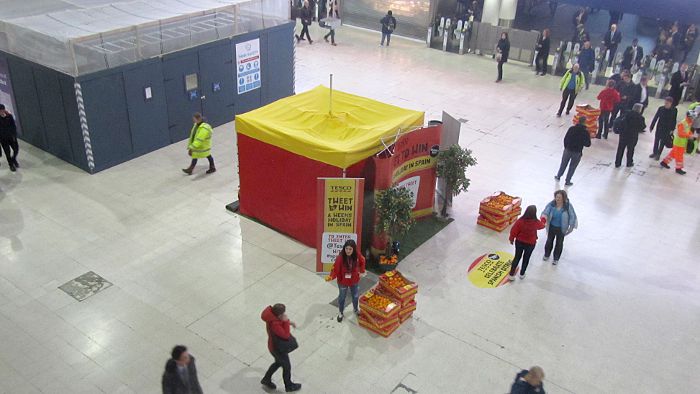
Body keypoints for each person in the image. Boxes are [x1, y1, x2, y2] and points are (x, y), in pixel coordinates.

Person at [261, 304, 302, 392]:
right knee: (286, 366)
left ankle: (266, 379)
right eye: (283, 314)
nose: (284, 314)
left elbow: (280, 322)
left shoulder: (272, 318)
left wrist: (289, 322)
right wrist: (286, 322)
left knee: (278, 363)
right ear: (279, 315)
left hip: (274, 347)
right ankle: (289, 386)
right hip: (277, 349)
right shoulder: (274, 324)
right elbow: (286, 336)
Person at [325, 239, 366, 322]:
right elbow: (335, 268)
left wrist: (361, 271)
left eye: (350, 249)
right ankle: (340, 312)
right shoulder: (340, 257)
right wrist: (331, 276)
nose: (348, 251)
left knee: (355, 296)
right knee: (342, 297)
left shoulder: (357, 255)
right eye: (346, 248)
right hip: (342, 281)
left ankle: (355, 309)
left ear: (353, 249)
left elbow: (363, 260)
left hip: (354, 280)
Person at [508, 206, 546, 281]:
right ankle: (522, 274)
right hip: (530, 244)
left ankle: (511, 274)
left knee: (517, 257)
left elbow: (513, 231)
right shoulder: (536, 222)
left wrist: (511, 239)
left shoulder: (520, 221)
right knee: (526, 259)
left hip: (519, 242)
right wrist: (543, 219)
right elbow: (542, 226)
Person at [541, 190, 577, 265]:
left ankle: (556, 258)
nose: (557, 199)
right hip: (552, 226)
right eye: (556, 197)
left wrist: (571, 226)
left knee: (559, 243)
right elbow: (546, 212)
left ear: (564, 198)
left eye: (559, 197)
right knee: (549, 241)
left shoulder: (568, 206)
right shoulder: (552, 204)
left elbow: (572, 216)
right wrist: (543, 218)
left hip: (561, 228)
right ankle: (546, 254)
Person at [555, 116, 591, 186]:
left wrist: (566, 147)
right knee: (572, 167)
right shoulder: (585, 132)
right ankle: (567, 181)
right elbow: (588, 144)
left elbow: (565, 139)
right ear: (584, 122)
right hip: (577, 152)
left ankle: (558, 176)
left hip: (568, 150)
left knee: (563, 164)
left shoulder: (572, 129)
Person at [661, 109, 697, 175]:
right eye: (693, 117)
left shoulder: (689, 122)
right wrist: (689, 136)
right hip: (679, 143)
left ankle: (664, 162)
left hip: (682, 142)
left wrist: (691, 135)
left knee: (673, 154)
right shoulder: (682, 123)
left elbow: (687, 131)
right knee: (679, 156)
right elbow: (680, 133)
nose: (693, 119)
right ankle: (678, 168)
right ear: (689, 116)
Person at [615, 103, 646, 168]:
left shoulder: (626, 114)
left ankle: (617, 163)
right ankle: (629, 162)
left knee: (620, 148)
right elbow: (643, 127)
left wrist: (617, 130)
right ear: (639, 110)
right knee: (631, 149)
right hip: (633, 136)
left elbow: (617, 121)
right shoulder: (640, 118)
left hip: (623, 134)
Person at [0, 104, 19, 172]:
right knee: (7, 152)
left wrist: (14, 135)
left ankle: (13, 159)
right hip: (3, 139)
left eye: (2, 110)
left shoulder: (9, 116)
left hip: (11, 137)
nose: (1, 112)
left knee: (16, 149)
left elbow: (14, 126)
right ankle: (11, 165)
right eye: (0, 111)